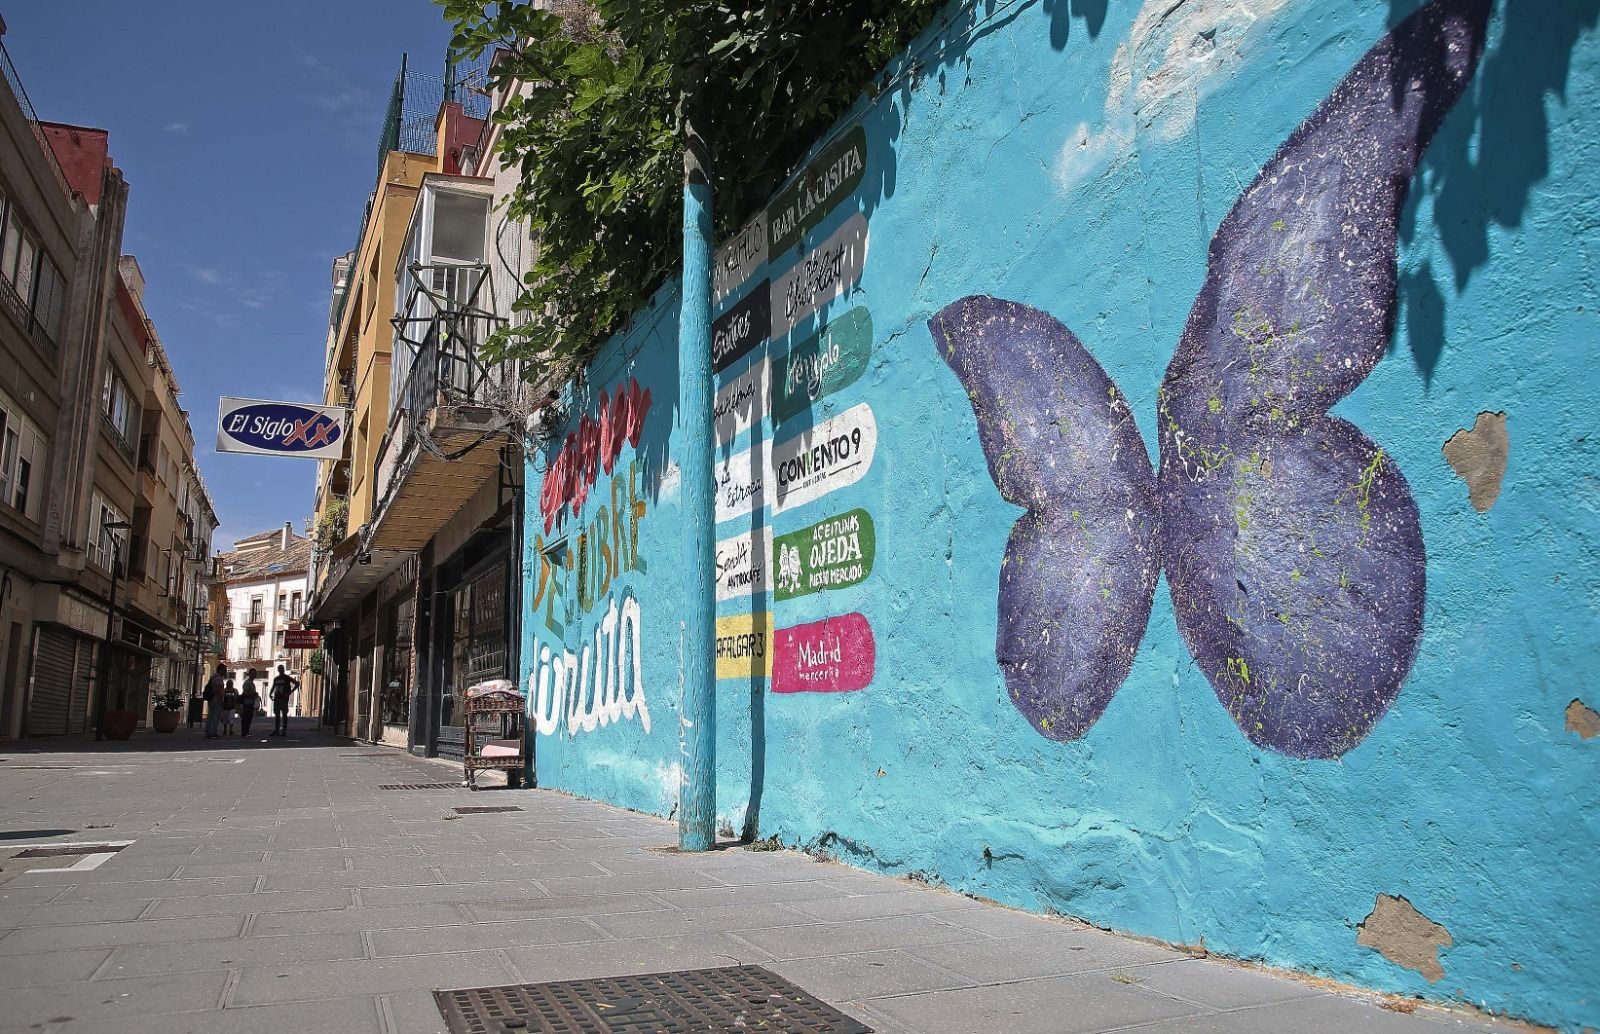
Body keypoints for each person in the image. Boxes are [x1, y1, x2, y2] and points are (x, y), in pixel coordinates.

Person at [270, 664, 299, 736]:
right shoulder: (276, 679)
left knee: (284, 714)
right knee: (277, 715)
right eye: (279, 669)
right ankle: (277, 730)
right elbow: (273, 687)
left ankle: (284, 731)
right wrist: (270, 694)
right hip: (277, 698)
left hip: (284, 699)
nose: (280, 670)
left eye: (281, 669)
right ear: (278, 670)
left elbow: (297, 684)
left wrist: (290, 693)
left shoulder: (287, 678)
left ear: (283, 670)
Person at [202, 663, 227, 738]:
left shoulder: (212, 677)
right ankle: (213, 732)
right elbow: (219, 689)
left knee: (210, 716)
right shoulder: (219, 678)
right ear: (220, 670)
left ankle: (208, 732)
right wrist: (221, 699)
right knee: (215, 716)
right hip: (216, 699)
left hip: (211, 699)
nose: (225, 672)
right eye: (224, 670)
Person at [238, 671, 261, 738]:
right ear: (250, 674)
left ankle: (247, 732)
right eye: (253, 673)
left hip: (251, 702)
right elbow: (246, 693)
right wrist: (253, 694)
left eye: (255, 674)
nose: (254, 675)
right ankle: (244, 732)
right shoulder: (247, 683)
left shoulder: (251, 682)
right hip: (247, 702)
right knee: (246, 718)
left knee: (249, 718)